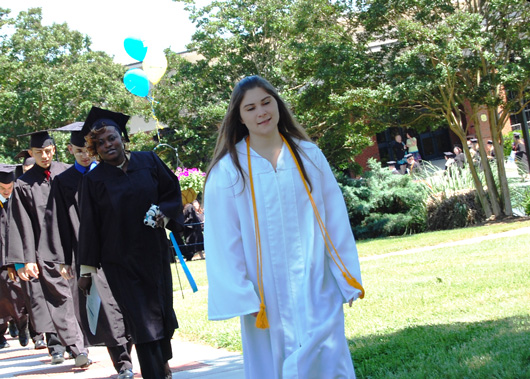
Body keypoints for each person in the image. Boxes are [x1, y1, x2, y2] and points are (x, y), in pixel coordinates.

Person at [204, 75, 364, 378]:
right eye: (250, 108)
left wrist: (346, 277)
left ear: (278, 103)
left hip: (316, 281)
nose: (261, 112)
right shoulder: (229, 170)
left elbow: (334, 219)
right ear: (239, 116)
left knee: (328, 359)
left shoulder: (308, 155)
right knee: (273, 364)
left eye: (266, 102)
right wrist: (241, 293)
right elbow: (224, 239)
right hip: (265, 293)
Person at [77, 106, 183, 379]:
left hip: (154, 254)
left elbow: (172, 192)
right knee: (142, 322)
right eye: (99, 143)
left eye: (111, 138)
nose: (107, 145)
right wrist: (87, 270)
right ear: (95, 149)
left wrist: (165, 213)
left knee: (160, 313)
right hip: (120, 262)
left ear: (122, 137)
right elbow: (89, 226)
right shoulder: (94, 181)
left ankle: (163, 364)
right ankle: (155, 373)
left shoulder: (149, 161)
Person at [41, 125, 134, 379]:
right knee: (107, 309)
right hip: (89, 256)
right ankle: (123, 363)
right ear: (70, 149)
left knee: (128, 307)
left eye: (88, 151)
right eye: (79, 151)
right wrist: (63, 259)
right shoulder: (64, 182)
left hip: (121, 250)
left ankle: (130, 352)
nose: (85, 156)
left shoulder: (110, 173)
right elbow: (58, 220)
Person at [6, 131, 90, 366]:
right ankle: (76, 348)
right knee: (59, 299)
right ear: (31, 153)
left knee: (77, 298)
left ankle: (81, 343)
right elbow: (21, 223)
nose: (44, 156)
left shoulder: (68, 172)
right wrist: (24, 258)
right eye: (38, 152)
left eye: (47, 150)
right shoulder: (23, 184)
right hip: (46, 251)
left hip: (74, 245)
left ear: (54, 149)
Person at [0, 164, 30, 349]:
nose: (7, 191)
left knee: (16, 293)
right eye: (2, 188)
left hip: (14, 256)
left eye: (10, 188)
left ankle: (22, 324)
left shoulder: (18, 201)